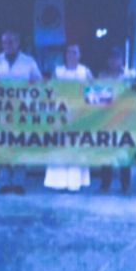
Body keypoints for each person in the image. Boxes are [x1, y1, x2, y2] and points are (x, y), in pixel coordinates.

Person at [0, 30, 42, 194]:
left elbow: (38, 82)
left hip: (22, 111)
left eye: (11, 42)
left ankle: (18, 182)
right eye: (4, 42)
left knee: (19, 145)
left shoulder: (28, 61)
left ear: (18, 43)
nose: (7, 45)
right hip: (1, 110)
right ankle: (4, 181)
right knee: (2, 144)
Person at [44, 44, 93, 192]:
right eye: (69, 52)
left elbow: (94, 92)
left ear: (79, 55)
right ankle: (57, 182)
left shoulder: (85, 72)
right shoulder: (58, 71)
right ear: (65, 55)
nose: (71, 55)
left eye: (75, 52)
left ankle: (75, 183)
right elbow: (50, 91)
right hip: (61, 115)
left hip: (79, 115)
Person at [97, 46, 133, 193]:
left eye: (117, 58)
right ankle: (105, 183)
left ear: (121, 60)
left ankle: (125, 184)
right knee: (106, 152)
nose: (114, 61)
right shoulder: (101, 76)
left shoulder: (129, 75)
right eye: (111, 59)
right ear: (107, 61)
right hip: (107, 119)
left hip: (125, 118)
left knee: (124, 152)